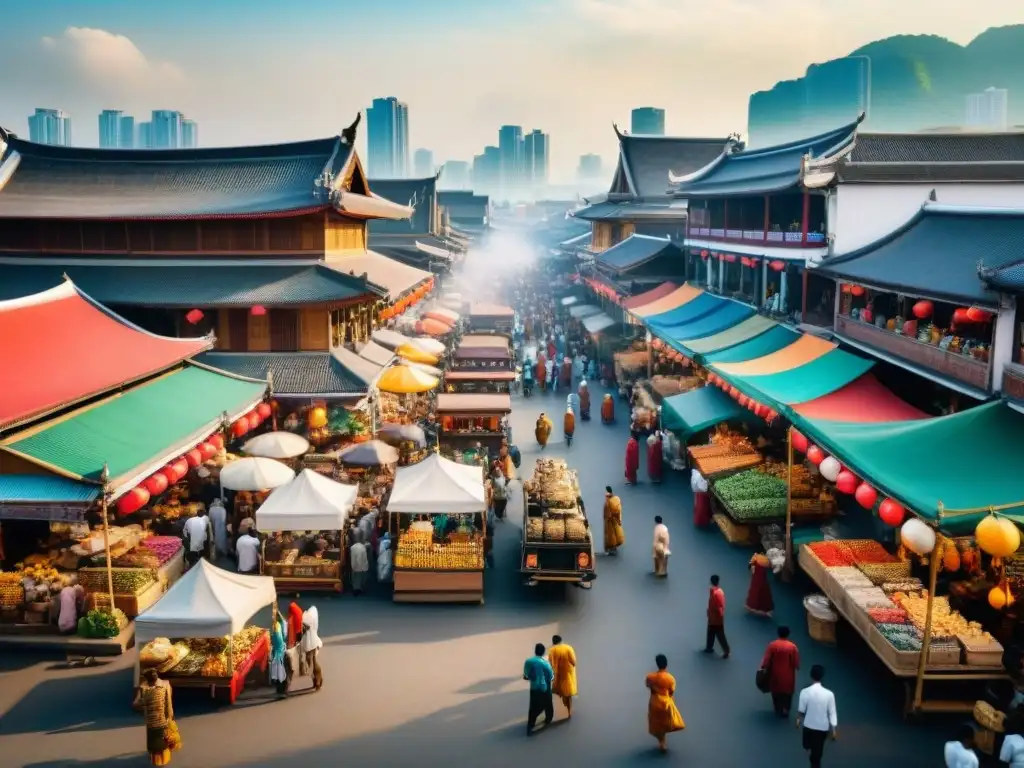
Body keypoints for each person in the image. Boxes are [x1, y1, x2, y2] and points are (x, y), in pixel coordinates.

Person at [796, 664, 837, 768]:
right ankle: (815, 759)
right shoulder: (829, 694)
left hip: (808, 725)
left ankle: (812, 756)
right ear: (822, 677)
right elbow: (832, 712)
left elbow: (801, 709)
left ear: (811, 676)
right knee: (818, 749)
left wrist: (798, 720)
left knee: (806, 745)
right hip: (822, 728)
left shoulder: (804, 692)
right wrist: (834, 729)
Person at [140, 667, 180, 766]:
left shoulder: (148, 688)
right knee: (159, 740)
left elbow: (167, 702)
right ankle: (161, 759)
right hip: (157, 719)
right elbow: (168, 702)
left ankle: (160, 760)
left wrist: (170, 717)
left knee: (158, 740)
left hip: (157, 720)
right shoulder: (161, 685)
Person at [645, 654, 685, 753]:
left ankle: (662, 742)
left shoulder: (651, 677)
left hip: (654, 702)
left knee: (656, 723)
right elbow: (671, 691)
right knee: (666, 721)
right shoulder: (671, 679)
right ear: (666, 665)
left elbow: (648, 685)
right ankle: (663, 739)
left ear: (657, 664)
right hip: (666, 703)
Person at [760, 626, 800, 717]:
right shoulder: (792, 647)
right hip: (788, 675)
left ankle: (777, 708)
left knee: (775, 691)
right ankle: (786, 709)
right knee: (788, 693)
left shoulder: (772, 645)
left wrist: (763, 668)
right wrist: (797, 667)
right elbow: (796, 663)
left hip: (775, 674)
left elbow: (766, 660)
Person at [523, 642, 554, 735]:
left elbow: (526, 675)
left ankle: (530, 725)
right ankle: (548, 720)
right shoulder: (546, 663)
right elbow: (551, 677)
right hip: (545, 688)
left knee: (533, 707)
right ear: (543, 652)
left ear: (535, 651)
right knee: (548, 705)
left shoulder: (528, 661)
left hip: (534, 688)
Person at [548, 635, 577, 719]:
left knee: (562, 692)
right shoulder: (568, 648)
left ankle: (566, 705)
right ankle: (569, 711)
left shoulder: (552, 650)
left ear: (553, 642)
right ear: (562, 641)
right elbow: (574, 663)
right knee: (568, 694)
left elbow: (550, 664)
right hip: (568, 675)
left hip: (558, 676)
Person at [704, 574, 730, 658]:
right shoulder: (714, 591)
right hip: (712, 616)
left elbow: (720, 606)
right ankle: (709, 647)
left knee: (720, 634)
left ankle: (726, 651)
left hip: (716, 618)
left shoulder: (718, 593)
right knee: (710, 631)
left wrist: (720, 615)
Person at [299, 605, 324, 691]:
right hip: (312, 641)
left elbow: (306, 628)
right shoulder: (313, 619)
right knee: (312, 660)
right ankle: (317, 679)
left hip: (309, 642)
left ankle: (316, 680)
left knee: (311, 661)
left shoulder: (307, 621)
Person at [745, 552, 774, 617]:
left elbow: (751, 568)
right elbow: (770, 566)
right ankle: (765, 609)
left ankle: (751, 606)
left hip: (757, 580)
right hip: (763, 580)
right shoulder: (765, 560)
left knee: (755, 593)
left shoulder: (755, 559)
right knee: (764, 594)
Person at [269, 606, 289, 697]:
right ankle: (282, 690)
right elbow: (284, 636)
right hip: (282, 652)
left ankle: (281, 691)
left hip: (278, 654)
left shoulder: (275, 628)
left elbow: (274, 641)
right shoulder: (280, 625)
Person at [603, 487, 625, 555]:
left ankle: (610, 548)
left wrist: (607, 517)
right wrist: (619, 519)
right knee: (616, 533)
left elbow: (607, 513)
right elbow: (619, 510)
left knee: (610, 535)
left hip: (610, 520)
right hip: (615, 519)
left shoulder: (608, 502)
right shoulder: (617, 499)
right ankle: (614, 547)